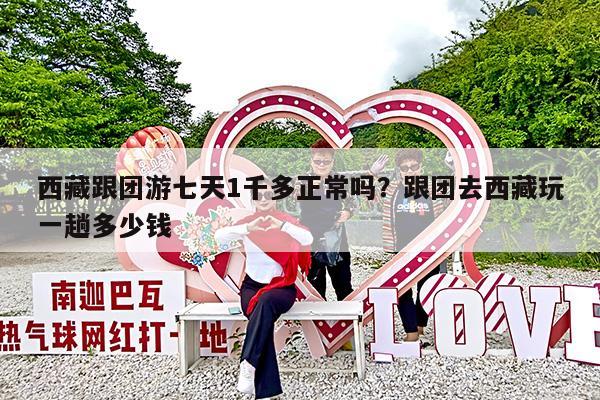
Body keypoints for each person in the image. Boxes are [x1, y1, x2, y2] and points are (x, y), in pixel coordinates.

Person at [215, 184, 313, 399]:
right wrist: (247, 228)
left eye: (268, 195)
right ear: (254, 200)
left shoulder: (285, 222)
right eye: (259, 196)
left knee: (265, 304)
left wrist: (282, 226)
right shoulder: (248, 224)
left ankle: (248, 363)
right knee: (262, 321)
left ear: (275, 198)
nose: (264, 199)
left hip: (281, 287)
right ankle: (265, 391)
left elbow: (307, 239)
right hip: (251, 287)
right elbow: (219, 237)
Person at [370, 149, 447, 342]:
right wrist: (372, 174)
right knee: (402, 289)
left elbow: (454, 200)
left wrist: (454, 168)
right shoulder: (392, 189)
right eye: (405, 168)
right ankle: (411, 331)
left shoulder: (432, 188)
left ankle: (420, 326)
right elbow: (371, 196)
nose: (410, 171)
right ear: (399, 170)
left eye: (414, 166)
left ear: (421, 167)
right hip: (401, 247)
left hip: (429, 248)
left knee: (427, 287)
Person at [296, 139, 355, 301]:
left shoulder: (339, 180)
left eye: (326, 161)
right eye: (318, 161)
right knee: (315, 288)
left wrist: (348, 212)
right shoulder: (302, 180)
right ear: (311, 161)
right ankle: (317, 318)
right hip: (311, 239)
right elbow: (294, 198)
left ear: (332, 161)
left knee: (343, 285)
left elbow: (352, 202)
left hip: (336, 237)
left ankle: (345, 316)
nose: (322, 165)